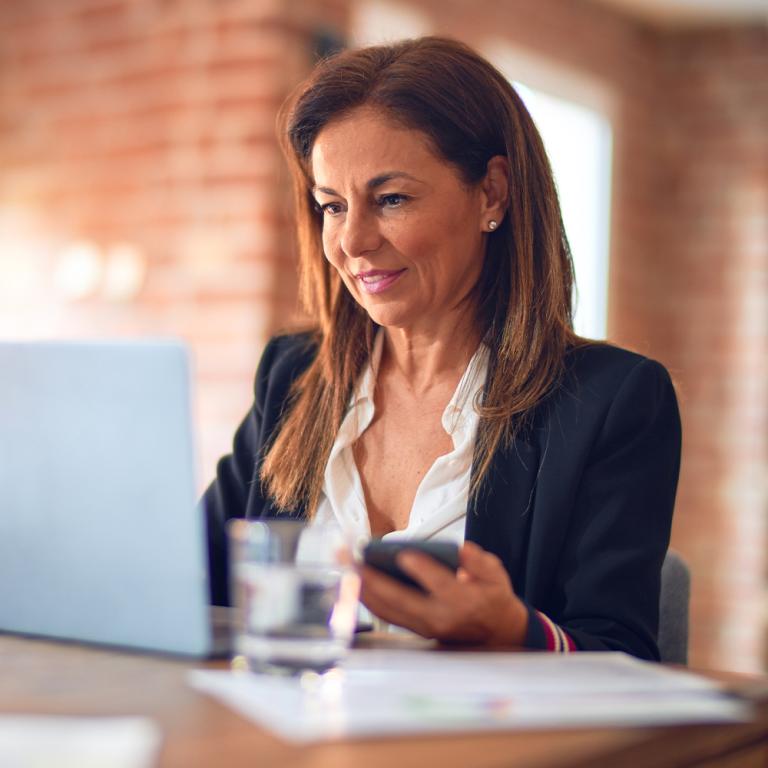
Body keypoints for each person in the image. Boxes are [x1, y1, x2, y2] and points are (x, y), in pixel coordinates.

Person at [203, 36, 681, 659]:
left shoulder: (612, 401)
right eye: (332, 205)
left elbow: (625, 656)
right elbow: (190, 583)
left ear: (492, 193)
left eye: (391, 199)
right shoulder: (293, 376)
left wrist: (515, 631)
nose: (351, 241)